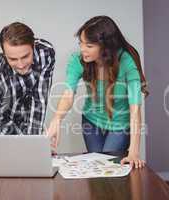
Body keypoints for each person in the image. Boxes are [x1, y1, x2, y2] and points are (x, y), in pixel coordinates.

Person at [47, 16, 148, 168]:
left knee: (111, 168)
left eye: (89, 45)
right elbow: (68, 94)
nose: (82, 49)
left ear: (105, 46)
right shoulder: (78, 60)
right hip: (91, 121)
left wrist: (133, 152)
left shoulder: (126, 62)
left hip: (120, 124)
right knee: (96, 169)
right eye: (80, 43)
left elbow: (135, 109)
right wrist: (57, 119)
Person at [0, 22, 55, 166]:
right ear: (4, 54)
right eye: (12, 59)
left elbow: (39, 101)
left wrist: (33, 144)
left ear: (33, 46)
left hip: (26, 112)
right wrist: (25, 146)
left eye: (25, 56)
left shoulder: (46, 54)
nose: (20, 64)